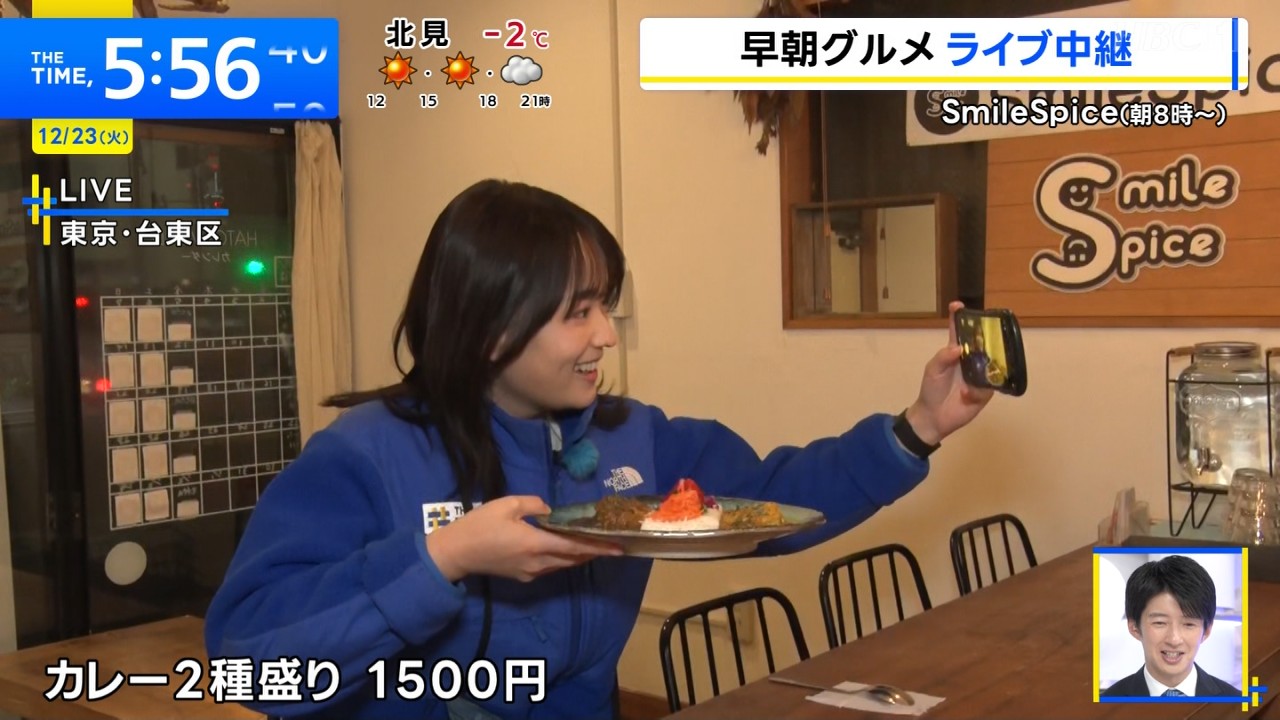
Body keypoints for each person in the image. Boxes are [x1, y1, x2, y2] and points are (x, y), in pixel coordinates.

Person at [203, 179, 995, 720]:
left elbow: (775, 500)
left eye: (605, 307)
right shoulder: (366, 454)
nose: (606, 336)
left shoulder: (629, 435)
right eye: (578, 313)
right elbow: (250, 657)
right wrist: (444, 559)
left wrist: (919, 426)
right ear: (491, 326)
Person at [1102, 555, 1241, 698]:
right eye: (1160, 623)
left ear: (1206, 630)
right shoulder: (1108, 701)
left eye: (1188, 624)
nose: (1174, 639)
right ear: (1134, 627)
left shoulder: (1236, 701)